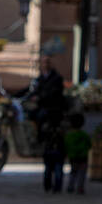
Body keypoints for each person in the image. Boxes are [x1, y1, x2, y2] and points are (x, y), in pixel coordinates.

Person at [34, 55, 67, 192]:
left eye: (47, 62)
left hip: (53, 115)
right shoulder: (39, 79)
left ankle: (56, 186)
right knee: (49, 163)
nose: (45, 64)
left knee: (56, 163)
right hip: (49, 140)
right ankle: (49, 185)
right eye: (44, 62)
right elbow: (31, 91)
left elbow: (54, 94)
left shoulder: (56, 79)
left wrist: (41, 98)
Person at [63, 112, 92, 194]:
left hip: (73, 157)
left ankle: (70, 186)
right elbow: (89, 145)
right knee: (82, 173)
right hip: (83, 157)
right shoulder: (84, 135)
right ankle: (80, 187)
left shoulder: (69, 136)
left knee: (73, 172)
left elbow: (66, 145)